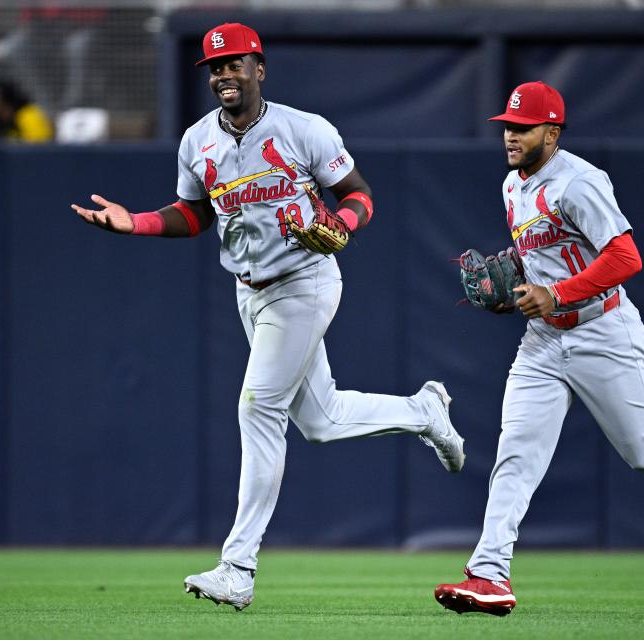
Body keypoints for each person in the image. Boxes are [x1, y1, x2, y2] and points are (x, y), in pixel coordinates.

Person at [70, 22, 465, 611]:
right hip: (250, 292)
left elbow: (359, 193)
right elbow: (195, 213)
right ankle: (422, 411)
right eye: (215, 66)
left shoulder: (303, 129)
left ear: (260, 69)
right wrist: (141, 223)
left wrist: (343, 223)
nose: (224, 73)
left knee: (257, 408)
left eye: (235, 63)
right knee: (322, 419)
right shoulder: (197, 140)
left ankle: (238, 567)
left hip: (305, 282)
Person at [433, 81, 644, 617]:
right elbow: (544, 261)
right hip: (544, 342)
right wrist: (519, 292)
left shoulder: (579, 181)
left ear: (552, 131)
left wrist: (556, 293)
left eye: (522, 127)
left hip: (603, 333)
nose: (510, 134)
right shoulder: (512, 186)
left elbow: (625, 258)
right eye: (507, 125)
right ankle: (488, 574)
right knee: (516, 456)